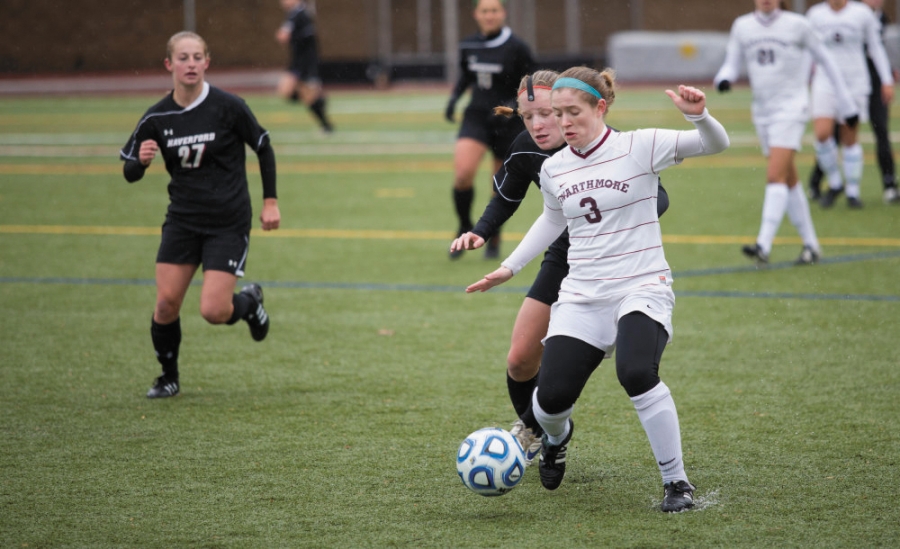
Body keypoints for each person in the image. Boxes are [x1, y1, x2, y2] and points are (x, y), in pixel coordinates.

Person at [466, 67, 730, 512]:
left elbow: (715, 143)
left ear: (600, 107)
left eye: (573, 112)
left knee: (636, 372)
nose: (563, 122)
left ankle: (677, 483)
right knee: (548, 402)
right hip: (582, 295)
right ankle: (556, 438)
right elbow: (552, 218)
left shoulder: (639, 144)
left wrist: (699, 116)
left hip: (641, 285)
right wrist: (510, 267)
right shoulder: (555, 167)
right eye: (556, 113)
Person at [450, 69, 670, 466]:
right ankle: (541, 434)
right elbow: (506, 196)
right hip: (562, 258)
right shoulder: (526, 148)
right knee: (520, 359)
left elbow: (660, 197)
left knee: (632, 367)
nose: (538, 123)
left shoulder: (610, 143)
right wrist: (481, 232)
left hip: (621, 266)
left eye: (546, 113)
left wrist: (605, 222)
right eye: (527, 115)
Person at [120, 31, 280, 398]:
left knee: (213, 310)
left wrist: (270, 201)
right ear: (169, 64)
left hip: (227, 221)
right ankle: (168, 376)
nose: (190, 64)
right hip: (183, 221)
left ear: (207, 62)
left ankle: (249, 303)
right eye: (183, 58)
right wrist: (141, 163)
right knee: (165, 303)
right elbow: (129, 170)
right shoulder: (157, 116)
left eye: (197, 57)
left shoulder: (228, 106)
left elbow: (263, 147)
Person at [714, 0, 859, 266]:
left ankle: (763, 245)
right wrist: (723, 78)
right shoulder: (742, 26)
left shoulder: (798, 25)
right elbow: (731, 64)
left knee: (774, 175)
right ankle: (811, 246)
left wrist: (847, 103)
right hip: (762, 112)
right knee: (788, 178)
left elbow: (826, 61)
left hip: (792, 107)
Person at [445, 0, 535, 260]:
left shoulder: (517, 47)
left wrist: (510, 106)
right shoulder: (469, 44)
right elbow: (466, 75)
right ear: (476, 14)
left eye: (494, 10)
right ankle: (463, 224)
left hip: (508, 120)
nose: (489, 15)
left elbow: (530, 83)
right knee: (462, 174)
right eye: (484, 11)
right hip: (476, 116)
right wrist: (454, 99)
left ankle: (492, 234)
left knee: (499, 185)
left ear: (503, 13)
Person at [809, 0, 900, 204]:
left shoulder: (861, 14)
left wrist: (886, 80)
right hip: (825, 82)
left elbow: (876, 48)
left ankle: (852, 191)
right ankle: (834, 182)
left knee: (849, 137)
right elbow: (808, 49)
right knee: (823, 134)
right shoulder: (815, 15)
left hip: (855, 83)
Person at [276, 0, 334, 133]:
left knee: (302, 94)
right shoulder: (296, 14)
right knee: (287, 91)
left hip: (305, 64)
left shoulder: (298, 15)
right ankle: (319, 101)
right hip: (297, 62)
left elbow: (283, 36)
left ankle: (326, 125)